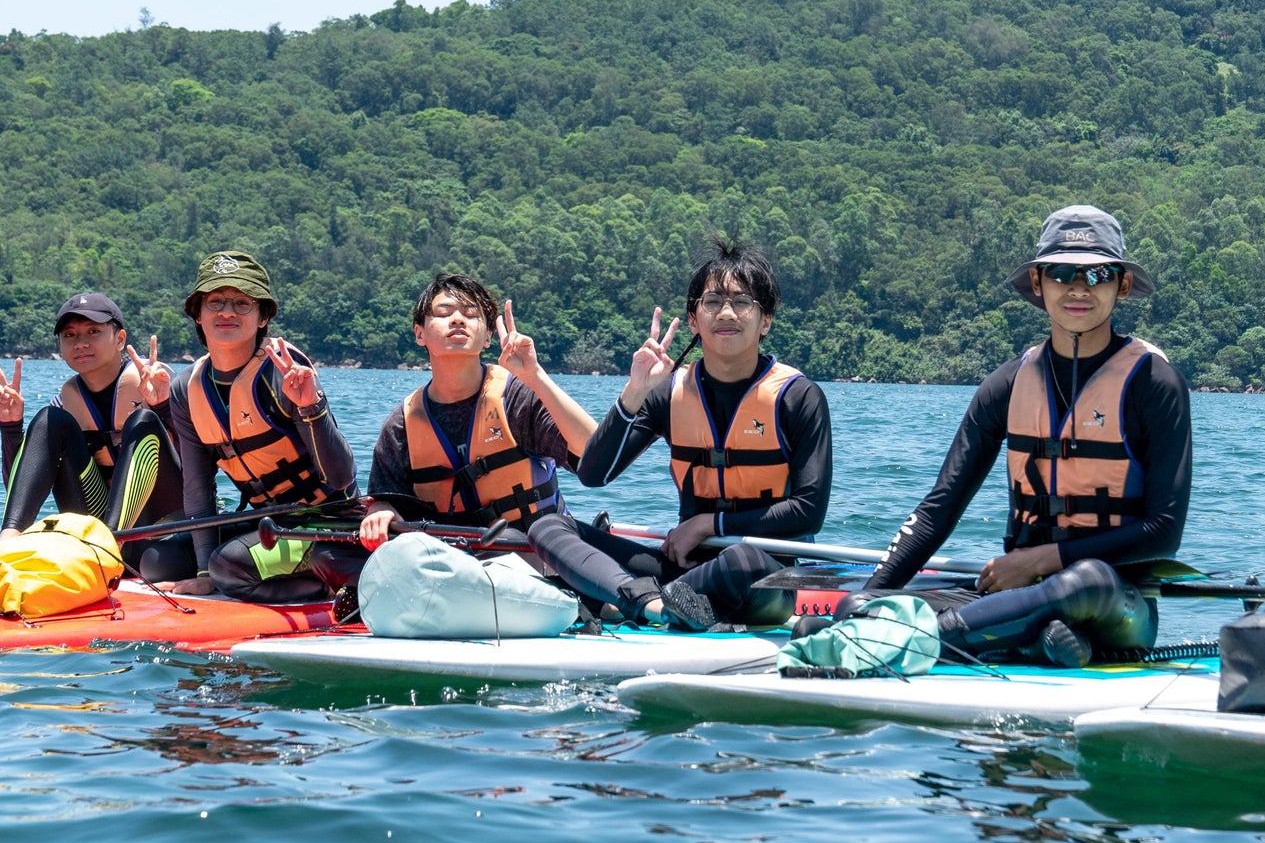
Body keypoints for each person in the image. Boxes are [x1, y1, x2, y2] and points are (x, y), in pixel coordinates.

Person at [861, 205, 1192, 667]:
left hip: (1117, 604)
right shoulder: (1008, 384)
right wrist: (868, 598)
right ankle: (1037, 642)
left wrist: (1041, 560)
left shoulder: (1154, 384)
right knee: (865, 607)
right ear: (1038, 283)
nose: (1078, 288)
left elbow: (1163, 533)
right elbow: (940, 508)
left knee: (1086, 581)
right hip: (1023, 592)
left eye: (1097, 274)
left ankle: (902, 644)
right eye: (1060, 273)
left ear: (1124, 283)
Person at [363, 273, 717, 629]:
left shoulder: (515, 398)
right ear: (419, 333)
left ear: (488, 336)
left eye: (471, 314)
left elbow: (592, 453)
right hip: (456, 570)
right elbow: (385, 500)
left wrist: (535, 376)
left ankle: (618, 603)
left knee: (550, 530)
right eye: (444, 312)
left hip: (542, 564)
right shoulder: (403, 424)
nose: (458, 319)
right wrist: (381, 511)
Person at [565, 238, 834, 626]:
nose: (726, 312)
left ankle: (628, 599)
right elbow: (593, 475)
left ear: (766, 321)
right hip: (682, 568)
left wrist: (710, 524)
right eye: (712, 302)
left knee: (741, 560)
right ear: (694, 319)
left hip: (764, 575)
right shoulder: (669, 394)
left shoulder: (798, 397)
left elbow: (808, 512)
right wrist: (635, 391)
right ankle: (663, 603)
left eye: (742, 302)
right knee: (553, 524)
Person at [157, 251, 362, 604]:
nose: (227, 312)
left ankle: (336, 585)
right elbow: (197, 487)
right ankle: (262, 573)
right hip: (268, 521)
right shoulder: (185, 389)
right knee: (157, 562)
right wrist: (204, 572)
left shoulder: (282, 371)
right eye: (215, 302)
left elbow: (341, 476)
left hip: (328, 522)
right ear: (198, 314)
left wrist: (310, 407)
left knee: (229, 568)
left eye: (242, 303)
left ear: (263, 315)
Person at [0, 293, 192, 581]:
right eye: (70, 335)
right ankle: (7, 544)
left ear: (120, 339)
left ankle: (107, 546)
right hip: (97, 531)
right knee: (48, 419)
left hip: (162, 529)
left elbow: (199, 468)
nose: (80, 343)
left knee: (143, 421)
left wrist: (162, 407)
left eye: (93, 332)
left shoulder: (158, 381)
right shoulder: (64, 404)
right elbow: (18, 484)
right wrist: (10, 428)